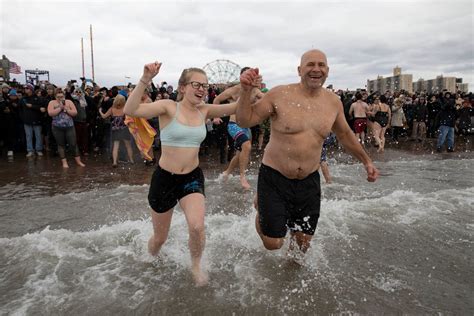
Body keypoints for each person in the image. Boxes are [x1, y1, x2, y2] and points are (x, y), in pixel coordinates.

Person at [236, 49, 379, 255]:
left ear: (327, 71)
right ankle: (262, 213)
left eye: (321, 65)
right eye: (310, 64)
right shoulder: (279, 94)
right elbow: (244, 120)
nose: (316, 69)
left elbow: (345, 135)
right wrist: (245, 91)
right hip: (275, 176)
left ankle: (290, 273)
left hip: (309, 180)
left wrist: (367, 161)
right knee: (273, 243)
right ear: (299, 70)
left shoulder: (333, 102)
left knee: (301, 245)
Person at [124, 61, 244, 286]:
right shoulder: (169, 107)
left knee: (197, 227)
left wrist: (246, 88)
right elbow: (131, 110)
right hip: (164, 179)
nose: (201, 89)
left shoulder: (205, 110)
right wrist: (145, 79)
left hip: (191, 178)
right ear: (182, 87)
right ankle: (149, 257)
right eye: (196, 84)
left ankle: (196, 265)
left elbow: (236, 108)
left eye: (205, 86)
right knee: (160, 238)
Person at [213, 67, 264, 190]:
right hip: (233, 124)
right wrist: (215, 116)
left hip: (246, 126)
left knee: (241, 153)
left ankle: (226, 173)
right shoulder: (234, 90)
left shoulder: (255, 91)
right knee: (246, 146)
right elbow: (217, 99)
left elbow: (266, 99)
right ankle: (242, 176)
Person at [47, 88, 86, 168]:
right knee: (61, 144)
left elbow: (75, 113)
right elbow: (50, 113)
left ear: (64, 96)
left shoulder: (69, 102)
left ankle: (78, 161)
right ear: (55, 96)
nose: (60, 98)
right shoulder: (52, 102)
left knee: (73, 144)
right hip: (57, 127)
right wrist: (60, 108)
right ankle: (64, 162)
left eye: (61, 96)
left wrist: (66, 109)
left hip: (69, 126)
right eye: (58, 97)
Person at [99, 94, 134, 167]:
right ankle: (131, 160)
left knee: (116, 145)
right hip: (124, 128)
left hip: (116, 129)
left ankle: (114, 162)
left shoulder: (112, 108)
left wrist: (100, 111)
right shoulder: (125, 108)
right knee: (128, 145)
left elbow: (104, 116)